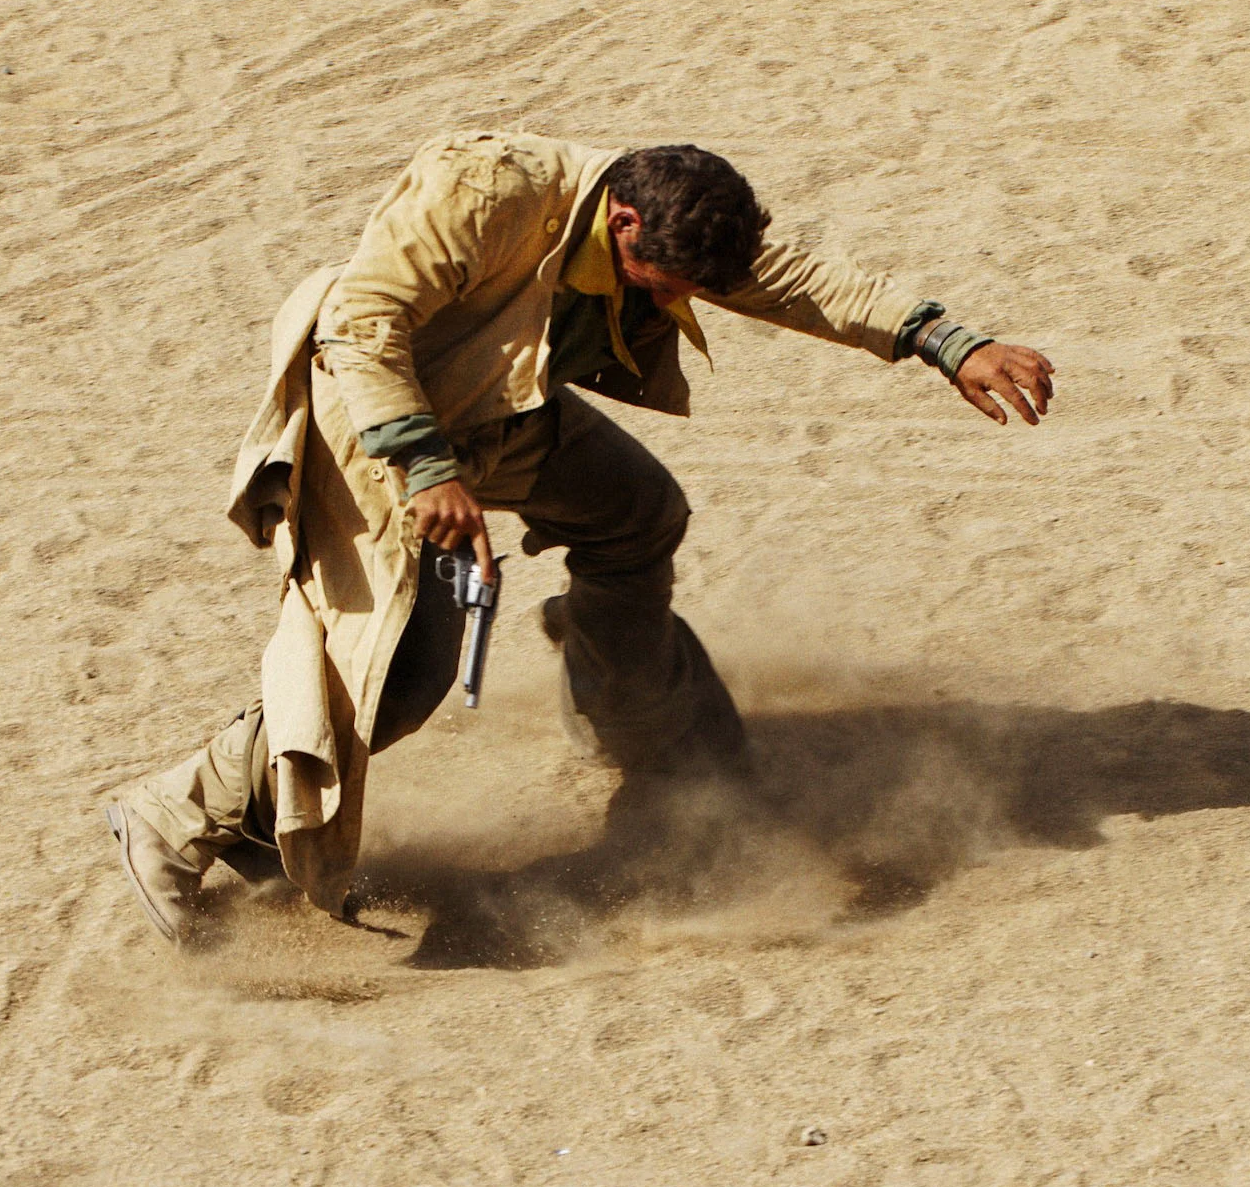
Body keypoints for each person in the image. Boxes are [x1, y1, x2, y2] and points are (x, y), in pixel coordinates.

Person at [102, 132, 1056, 945]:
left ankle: (634, 720)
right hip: (379, 419)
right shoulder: (486, 190)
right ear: (625, 224)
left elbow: (788, 278)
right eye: (670, 283)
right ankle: (175, 812)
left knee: (637, 514)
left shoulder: (673, 219)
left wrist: (944, 341)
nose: (686, 299)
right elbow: (359, 324)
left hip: (500, 405)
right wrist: (428, 469)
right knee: (398, 669)